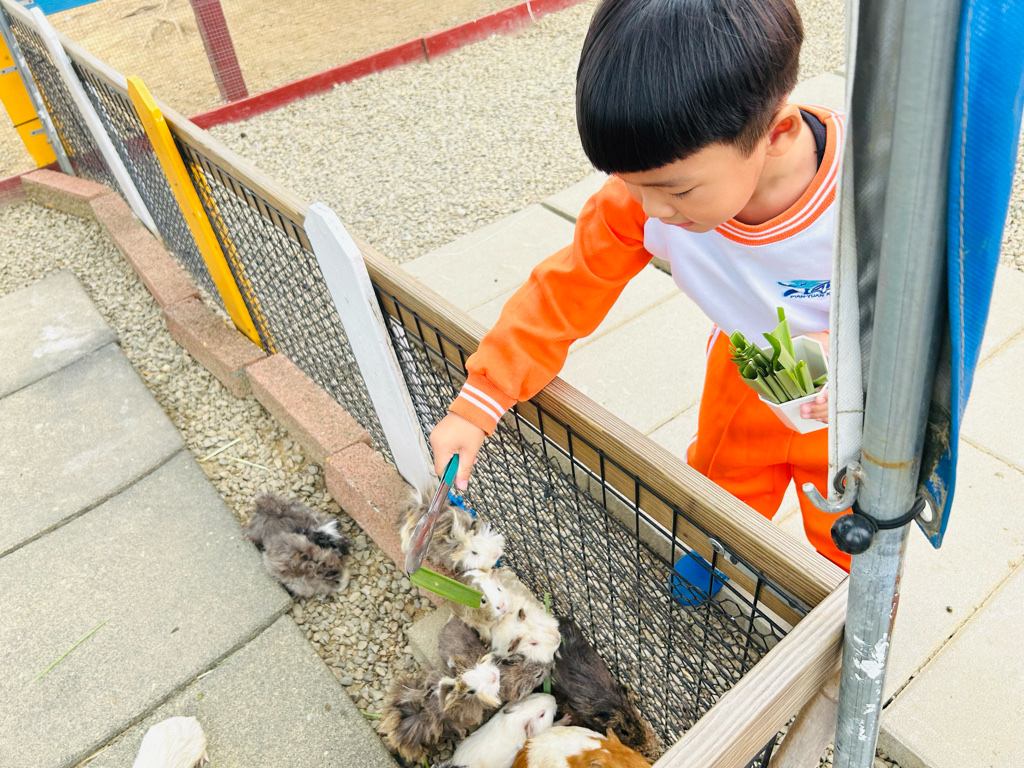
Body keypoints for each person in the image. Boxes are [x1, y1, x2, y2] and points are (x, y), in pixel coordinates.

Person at [428, 0, 850, 571]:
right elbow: (568, 289)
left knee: (846, 517)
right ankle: (716, 555)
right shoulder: (646, 198)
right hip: (745, 364)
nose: (650, 209)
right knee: (722, 483)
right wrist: (481, 400)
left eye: (677, 190)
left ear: (777, 133)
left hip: (854, 396)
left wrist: (853, 358)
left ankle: (846, 600)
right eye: (630, 183)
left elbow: (932, 317)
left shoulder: (869, 197)